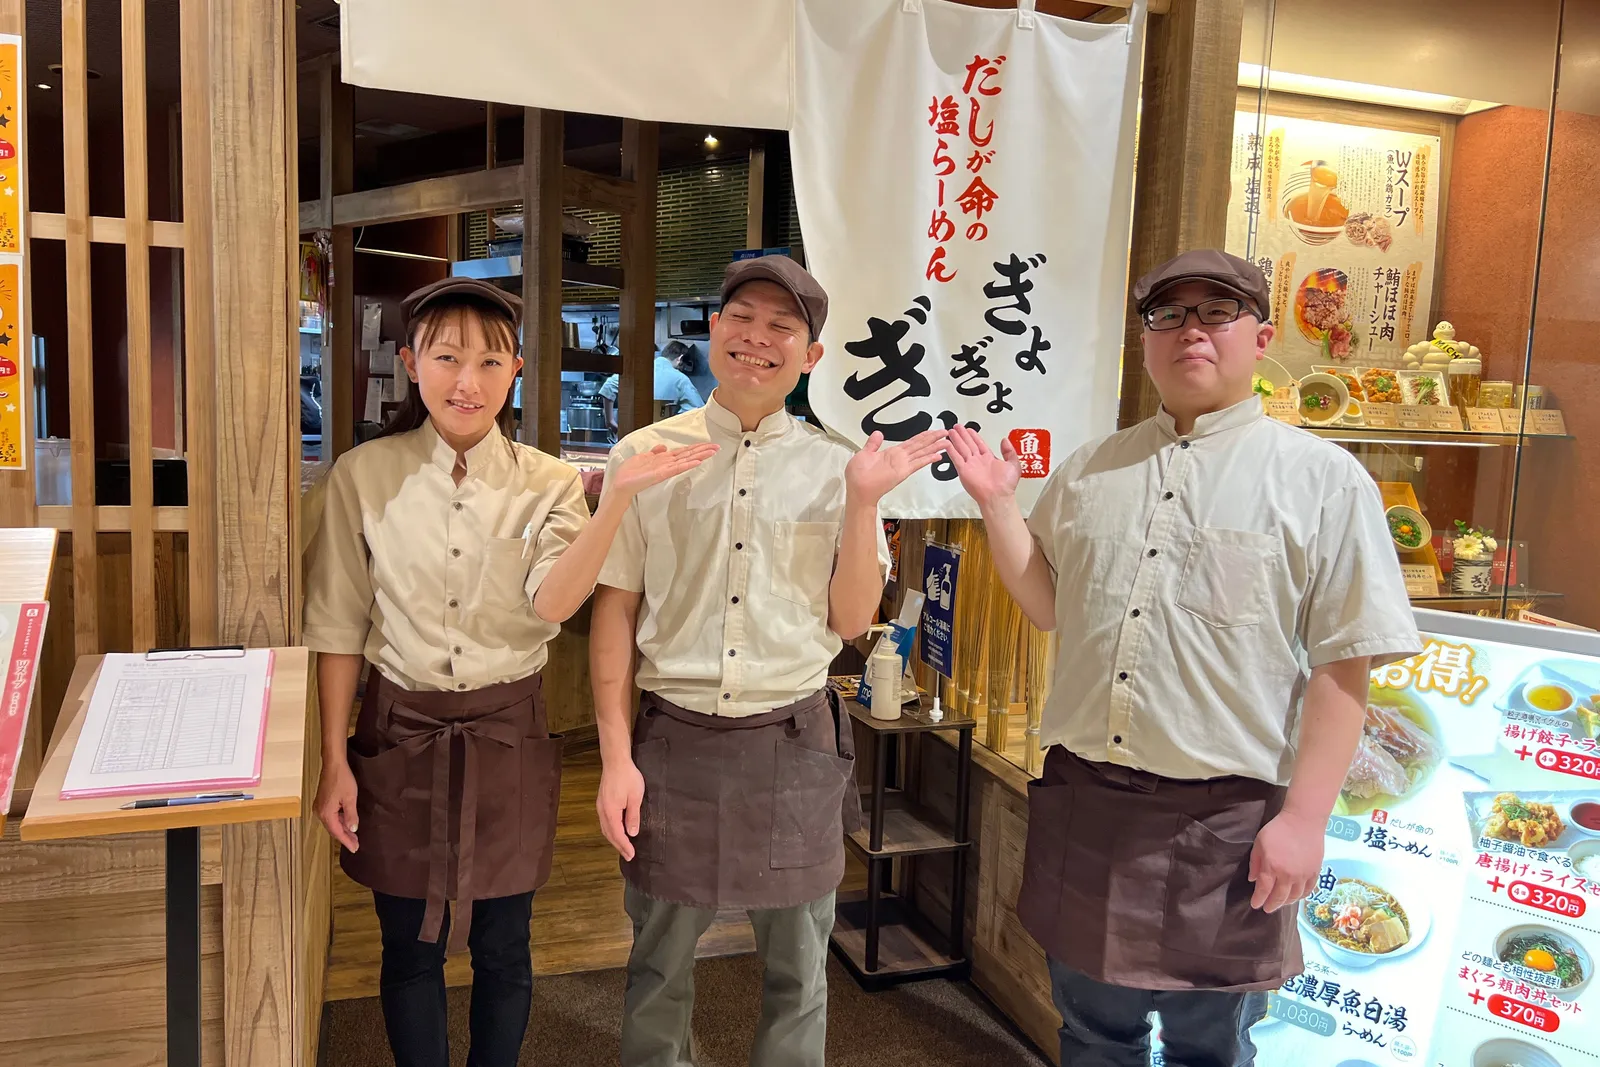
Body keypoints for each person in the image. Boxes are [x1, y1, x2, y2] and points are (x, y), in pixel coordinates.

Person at [945, 249, 1422, 1067]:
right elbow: (1050, 602)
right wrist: (996, 504)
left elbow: (1345, 666)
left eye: (1217, 312)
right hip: (1090, 804)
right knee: (1094, 1035)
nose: (1191, 330)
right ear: (1147, 341)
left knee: (1212, 1049)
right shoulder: (1094, 467)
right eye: (1169, 315)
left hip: (1229, 826)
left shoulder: (1323, 481)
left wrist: (1304, 820)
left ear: (1261, 336)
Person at [304, 277, 715, 1067]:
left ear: (517, 370)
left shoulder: (550, 481)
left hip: (507, 732)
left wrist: (615, 502)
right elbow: (336, 626)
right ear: (410, 362)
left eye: (490, 362)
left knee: (504, 942)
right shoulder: (362, 476)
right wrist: (334, 761)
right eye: (448, 357)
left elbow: (554, 604)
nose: (468, 381)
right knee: (409, 945)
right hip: (398, 730)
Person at [589, 255, 949, 1067]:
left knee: (797, 970)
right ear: (713, 330)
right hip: (672, 741)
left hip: (792, 741)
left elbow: (853, 619)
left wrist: (862, 502)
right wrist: (616, 757)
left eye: (782, 327)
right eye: (741, 319)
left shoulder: (838, 467)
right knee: (656, 964)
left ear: (811, 354)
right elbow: (614, 611)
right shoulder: (645, 454)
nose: (758, 339)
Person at [599, 342, 705, 435]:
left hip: (632, 434)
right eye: (682, 367)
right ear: (680, 358)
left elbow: (608, 387)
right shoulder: (680, 379)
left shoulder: (639, 369)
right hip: (660, 435)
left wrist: (610, 421)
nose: (681, 370)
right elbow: (697, 411)